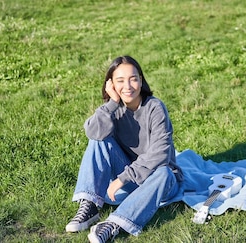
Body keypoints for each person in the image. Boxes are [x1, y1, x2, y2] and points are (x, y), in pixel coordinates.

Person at [66, 56, 184, 243]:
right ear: (110, 84)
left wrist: (122, 178)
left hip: (159, 182)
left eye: (133, 79)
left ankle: (114, 224)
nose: (128, 86)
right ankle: (90, 206)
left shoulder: (155, 107)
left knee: (165, 173)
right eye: (120, 81)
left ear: (141, 80)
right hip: (132, 179)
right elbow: (93, 133)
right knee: (99, 140)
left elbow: (161, 153)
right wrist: (111, 104)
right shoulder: (113, 109)